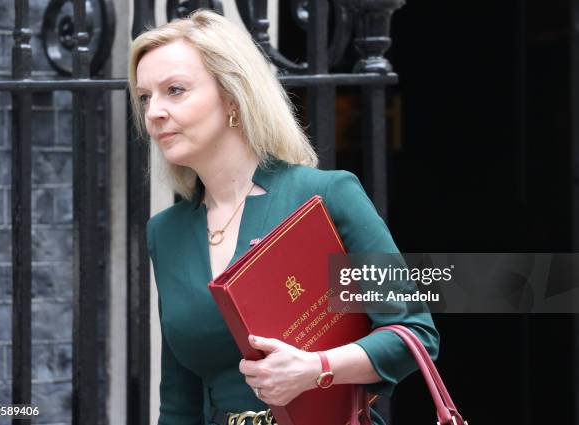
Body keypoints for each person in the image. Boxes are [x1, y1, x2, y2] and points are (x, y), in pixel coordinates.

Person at [128, 9, 439, 425]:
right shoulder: (166, 232)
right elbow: (179, 398)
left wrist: (317, 369)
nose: (154, 112)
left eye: (175, 90)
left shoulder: (326, 195)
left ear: (233, 97)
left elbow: (414, 334)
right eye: (146, 97)